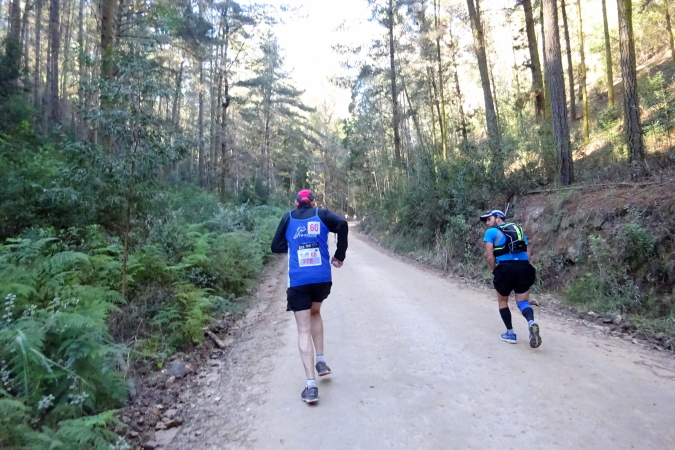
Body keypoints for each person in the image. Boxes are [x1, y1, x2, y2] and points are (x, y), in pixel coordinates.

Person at [271, 189, 348, 404]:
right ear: (313, 203)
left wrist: (293, 244)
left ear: (296, 203)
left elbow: (275, 247)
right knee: (315, 312)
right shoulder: (322, 215)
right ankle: (321, 360)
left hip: (299, 281)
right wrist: (339, 255)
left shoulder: (288, 217)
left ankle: (311, 386)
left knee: (303, 329)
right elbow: (342, 224)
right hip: (321, 279)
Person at [480, 209, 542, 348]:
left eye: (489, 219)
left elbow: (490, 256)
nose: (487, 223)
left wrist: (495, 271)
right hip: (524, 267)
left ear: (498, 218)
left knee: (503, 301)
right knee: (523, 302)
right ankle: (531, 322)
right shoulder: (518, 229)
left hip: (505, 268)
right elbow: (528, 253)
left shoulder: (491, 232)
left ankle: (510, 333)